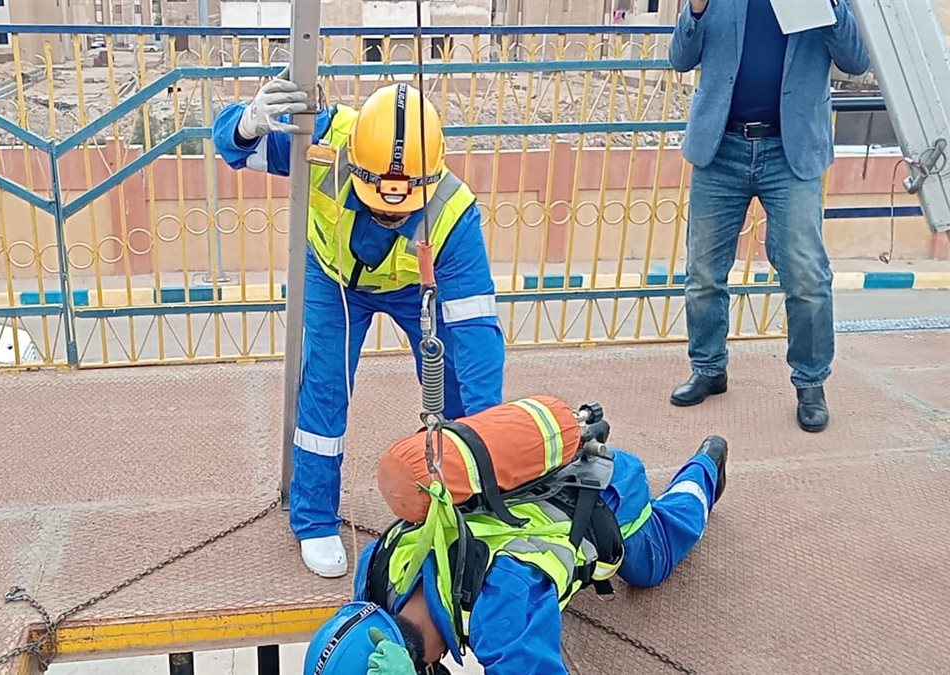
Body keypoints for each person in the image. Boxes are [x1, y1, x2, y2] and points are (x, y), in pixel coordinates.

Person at [212, 75, 506, 578]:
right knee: (325, 388)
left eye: (402, 208)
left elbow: (476, 334)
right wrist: (246, 124)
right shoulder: (325, 146)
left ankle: (463, 499)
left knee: (458, 386)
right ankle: (314, 519)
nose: (389, 214)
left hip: (412, 289)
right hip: (334, 280)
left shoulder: (453, 213)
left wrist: (489, 441)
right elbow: (233, 149)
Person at [302, 421, 729, 674]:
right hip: (536, 483)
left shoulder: (501, 610)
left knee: (654, 560)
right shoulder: (376, 570)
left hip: (608, 492)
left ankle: (704, 471)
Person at [667, 0, 870, 432]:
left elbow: (855, 61)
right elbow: (680, 59)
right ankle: (708, 368)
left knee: (807, 275)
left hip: (790, 151)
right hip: (720, 148)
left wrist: (831, 6)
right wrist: (696, 11)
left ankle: (810, 383)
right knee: (703, 273)